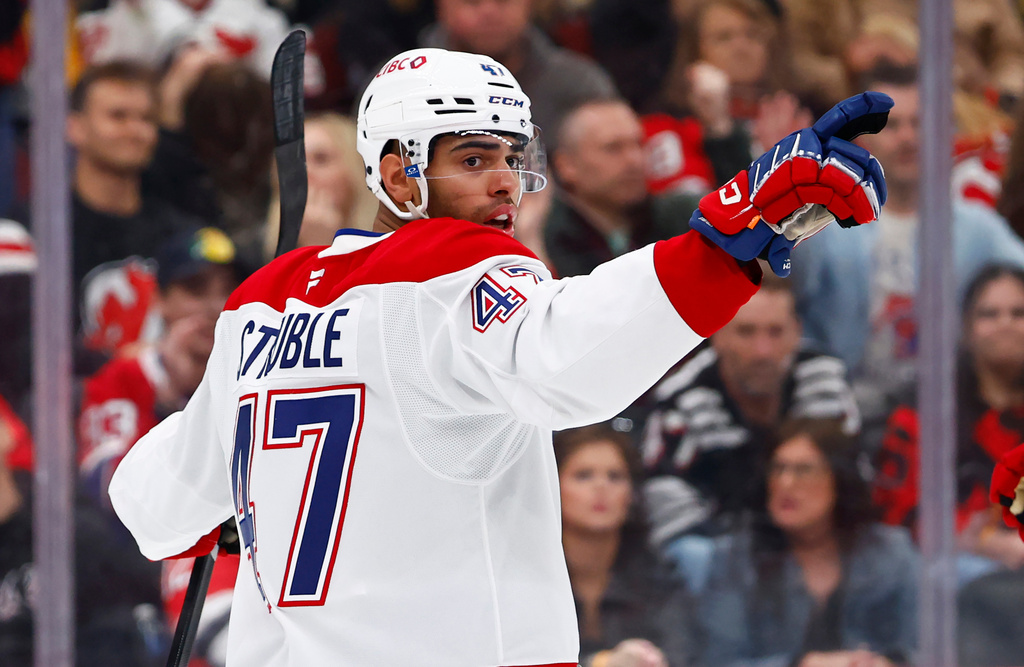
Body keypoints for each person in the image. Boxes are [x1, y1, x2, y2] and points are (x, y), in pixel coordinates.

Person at [108, 47, 890, 665]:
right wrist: (727, 241)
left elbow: (151, 505)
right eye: (474, 160)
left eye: (513, 159)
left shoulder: (258, 307)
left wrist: (249, 498)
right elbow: (568, 358)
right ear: (395, 172)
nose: (506, 185)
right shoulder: (449, 267)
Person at [791, 62, 1024, 396]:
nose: (907, 138)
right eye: (892, 125)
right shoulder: (822, 228)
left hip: (946, 412)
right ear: (861, 136)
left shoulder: (977, 229)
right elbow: (776, 289)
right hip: (838, 409)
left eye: (918, 123)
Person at [641, 272, 859, 592]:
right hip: (724, 551)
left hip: (815, 540)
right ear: (716, 333)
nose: (763, 351)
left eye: (776, 332)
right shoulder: (680, 400)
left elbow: (853, 482)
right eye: (746, 332)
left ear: (797, 332)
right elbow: (669, 513)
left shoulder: (824, 378)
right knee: (695, 555)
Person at [699, 418, 918, 667]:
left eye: (803, 470)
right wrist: (801, 665)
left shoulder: (890, 553)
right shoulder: (735, 559)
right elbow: (715, 661)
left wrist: (889, 664)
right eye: (778, 469)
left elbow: (927, 647)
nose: (785, 483)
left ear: (839, 479)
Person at [874, 264, 1024, 583]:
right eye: (989, 314)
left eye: (1018, 313)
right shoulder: (923, 409)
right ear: (966, 327)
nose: (1006, 325)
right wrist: (987, 543)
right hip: (946, 573)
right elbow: (899, 512)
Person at [78, 227, 241, 507]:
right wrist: (170, 399)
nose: (216, 306)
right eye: (196, 290)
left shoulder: (257, 377)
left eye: (230, 290)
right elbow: (106, 489)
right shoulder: (125, 376)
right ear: (159, 299)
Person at [555, 424, 691, 667]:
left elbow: (682, 655)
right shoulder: (525, 579)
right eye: (583, 475)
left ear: (631, 494)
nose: (601, 487)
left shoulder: (658, 576)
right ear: (552, 488)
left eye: (615, 477)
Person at [544, 98, 700, 279]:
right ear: (566, 165)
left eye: (639, 144)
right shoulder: (545, 240)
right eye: (613, 148)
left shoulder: (683, 218)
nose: (635, 160)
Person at [420, 0, 617, 134]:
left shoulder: (578, 83)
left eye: (503, 1)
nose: (489, 12)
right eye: (472, 1)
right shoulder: (408, 82)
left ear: (529, 5)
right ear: (442, 7)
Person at [263, 112, 380, 259]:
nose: (303, 172)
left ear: (356, 170)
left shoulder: (390, 248)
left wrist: (323, 243)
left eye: (320, 159)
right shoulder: (251, 258)